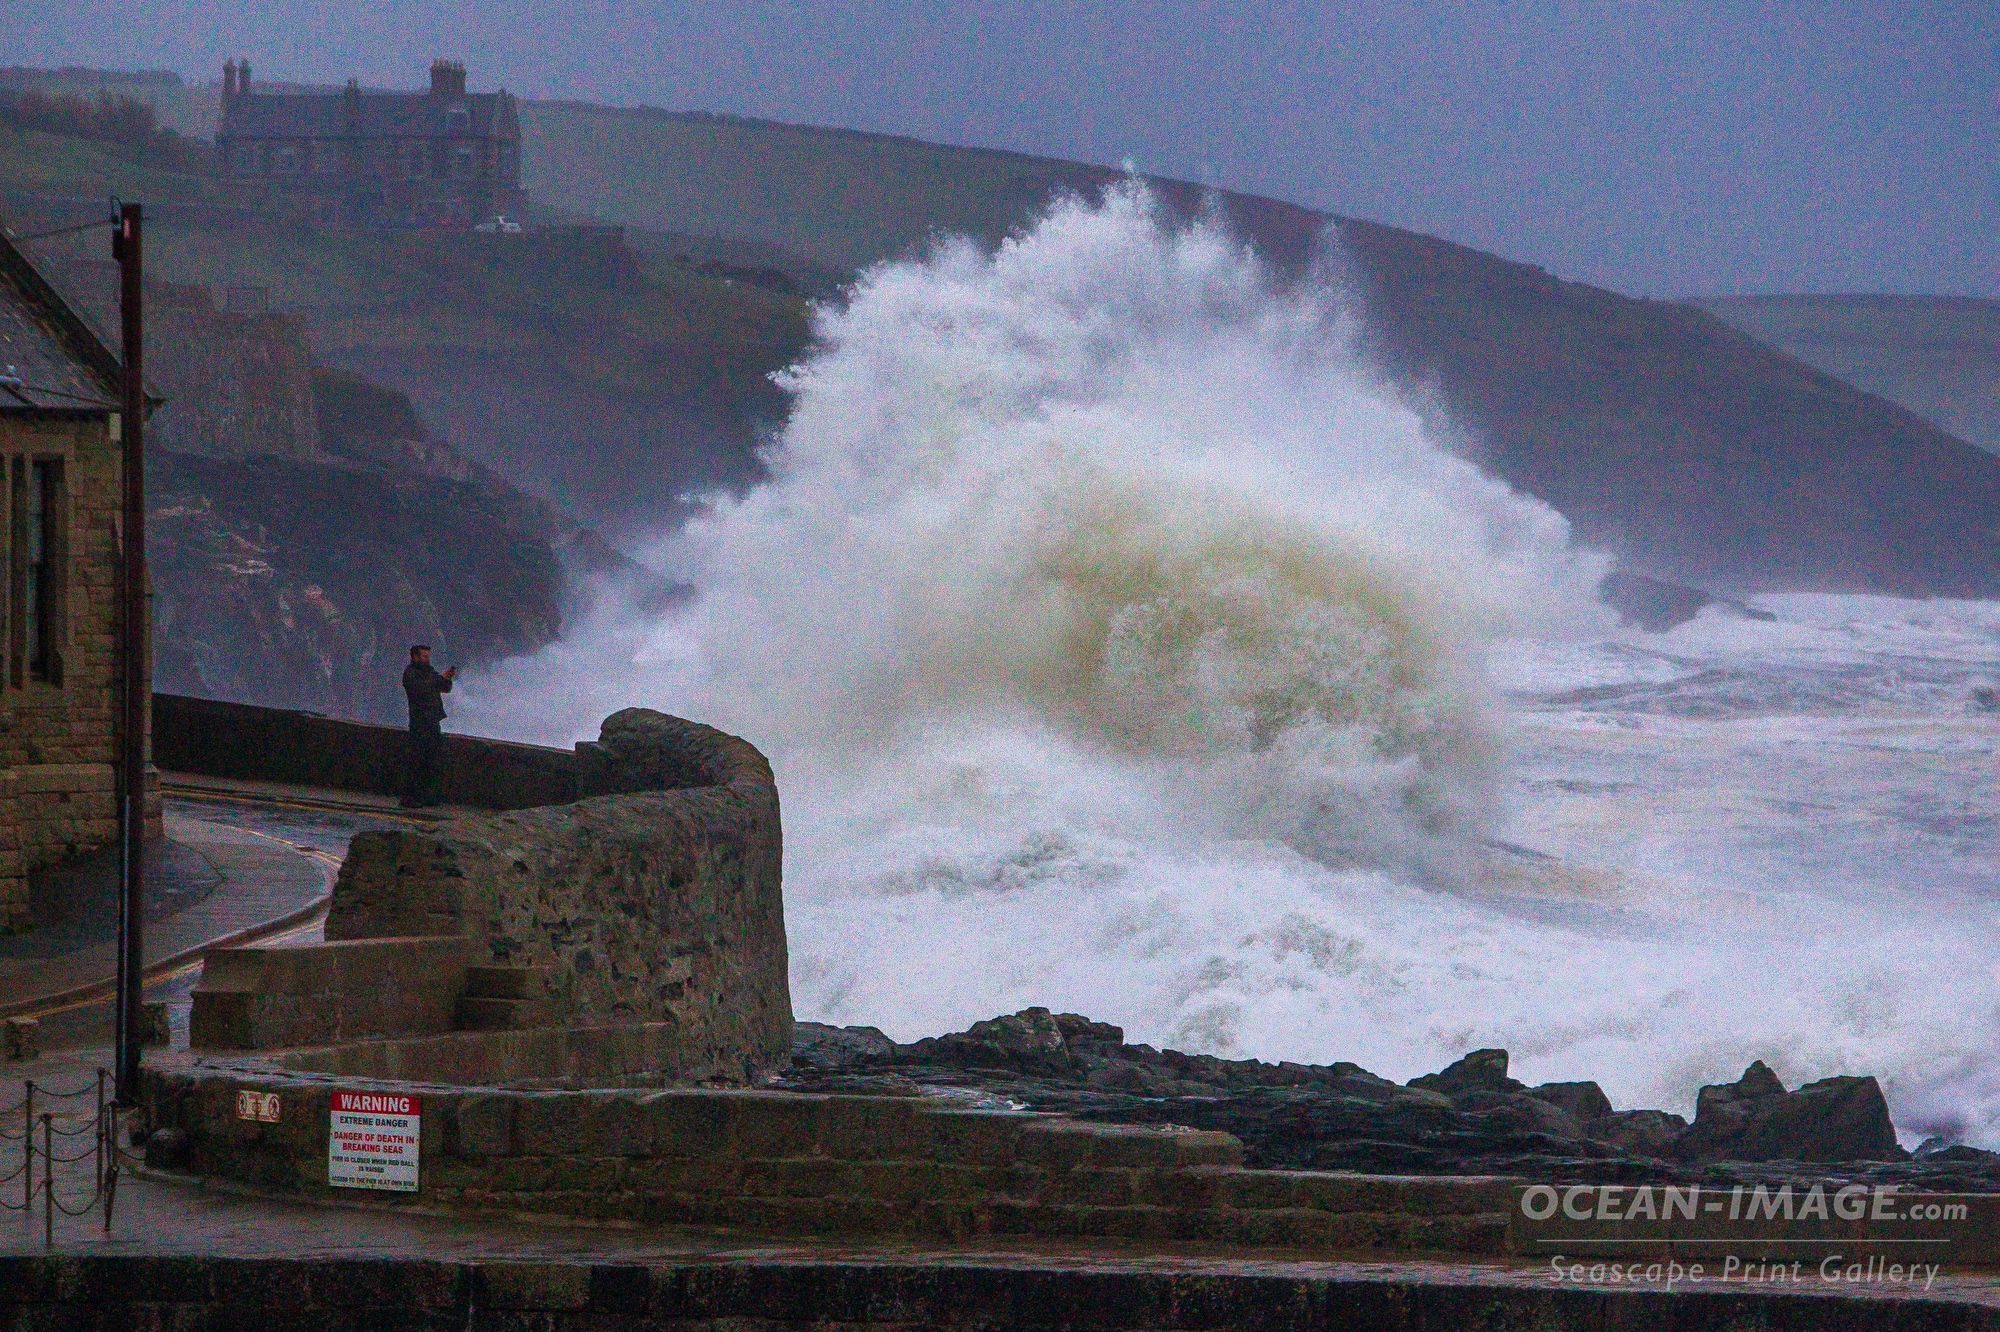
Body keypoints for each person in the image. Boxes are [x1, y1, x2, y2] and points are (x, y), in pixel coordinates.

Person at [401, 644, 455, 808]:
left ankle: (428, 796)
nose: (427, 659)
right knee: (417, 760)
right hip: (419, 722)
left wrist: (447, 678)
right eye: (424, 656)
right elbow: (420, 689)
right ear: (415, 657)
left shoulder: (429, 672)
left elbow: (444, 688)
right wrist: (439, 679)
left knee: (432, 761)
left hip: (433, 721)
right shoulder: (410, 673)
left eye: (428, 656)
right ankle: (410, 798)